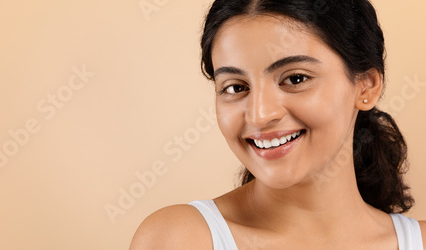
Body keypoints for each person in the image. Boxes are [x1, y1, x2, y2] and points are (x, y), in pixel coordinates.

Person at [130, 0, 425, 249]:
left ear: (366, 87)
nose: (259, 115)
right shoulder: (180, 239)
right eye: (235, 87)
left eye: (295, 79)